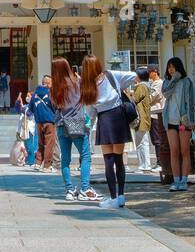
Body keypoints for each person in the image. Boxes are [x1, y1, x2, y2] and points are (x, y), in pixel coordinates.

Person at [83, 54, 137, 209]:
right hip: (119, 117)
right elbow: (133, 75)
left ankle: (113, 197)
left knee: (108, 160)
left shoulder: (88, 86)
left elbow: (90, 113)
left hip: (104, 120)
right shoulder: (111, 75)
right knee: (119, 159)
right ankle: (121, 196)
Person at [50, 57, 101, 202]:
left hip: (61, 123)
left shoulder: (54, 88)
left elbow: (55, 106)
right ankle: (84, 188)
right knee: (85, 156)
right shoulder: (77, 82)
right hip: (76, 122)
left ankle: (69, 190)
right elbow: (86, 97)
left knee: (65, 159)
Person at [161, 57, 195, 191]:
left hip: (184, 121)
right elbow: (165, 94)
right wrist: (174, 79)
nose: (171, 69)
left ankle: (184, 180)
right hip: (170, 120)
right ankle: (176, 180)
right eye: (169, 67)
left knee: (184, 151)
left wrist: (192, 120)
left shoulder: (187, 82)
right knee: (174, 151)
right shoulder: (166, 82)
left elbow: (191, 101)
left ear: (179, 67)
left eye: (173, 66)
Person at [147, 69, 171, 184]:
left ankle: (160, 162)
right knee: (155, 139)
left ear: (155, 72)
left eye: (149, 71)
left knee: (157, 139)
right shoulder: (153, 83)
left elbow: (152, 97)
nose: (148, 74)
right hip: (153, 113)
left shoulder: (159, 84)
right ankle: (159, 161)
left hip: (157, 113)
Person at [29, 74, 57, 171]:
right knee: (49, 144)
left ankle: (38, 163)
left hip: (39, 121)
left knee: (40, 143)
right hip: (49, 121)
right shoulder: (51, 93)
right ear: (49, 84)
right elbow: (55, 106)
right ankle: (47, 166)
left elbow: (31, 108)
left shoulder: (35, 93)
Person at [129, 75, 155, 172]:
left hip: (141, 118)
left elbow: (134, 99)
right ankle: (144, 164)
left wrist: (129, 94)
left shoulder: (141, 87)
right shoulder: (145, 86)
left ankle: (145, 164)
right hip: (144, 118)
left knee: (142, 142)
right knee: (143, 142)